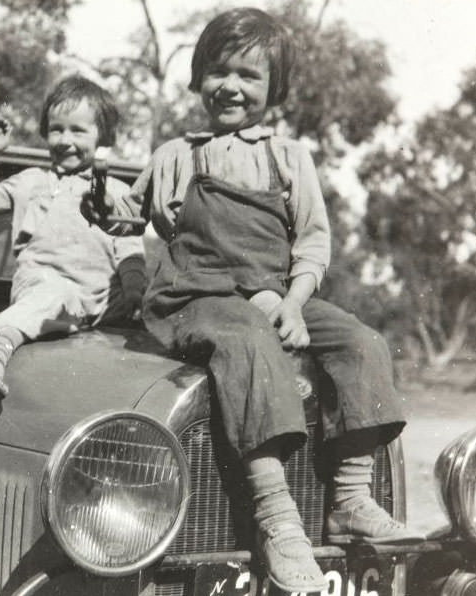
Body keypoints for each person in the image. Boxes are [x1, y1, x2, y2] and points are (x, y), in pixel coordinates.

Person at [82, 8, 420, 593]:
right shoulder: (174, 156)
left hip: (274, 294)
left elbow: (313, 245)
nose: (230, 87)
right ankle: (277, 519)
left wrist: (294, 304)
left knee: (361, 343)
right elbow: (127, 216)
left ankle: (350, 497)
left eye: (248, 76)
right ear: (198, 77)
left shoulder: (289, 159)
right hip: (194, 297)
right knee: (246, 336)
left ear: (275, 89)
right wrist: (104, 203)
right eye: (218, 71)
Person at [0, 75, 146, 400]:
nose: (64, 139)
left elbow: (129, 249)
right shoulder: (30, 182)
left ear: (102, 135)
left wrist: (135, 295)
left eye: (78, 130)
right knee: (55, 293)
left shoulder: (117, 191)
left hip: (101, 302)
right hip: (44, 288)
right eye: (57, 129)